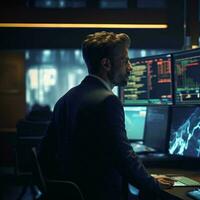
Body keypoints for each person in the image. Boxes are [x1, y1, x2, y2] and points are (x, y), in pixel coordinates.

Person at [39, 31, 174, 200]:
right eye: (125, 60)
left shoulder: (65, 99)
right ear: (106, 64)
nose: (130, 67)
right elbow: (123, 158)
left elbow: (44, 154)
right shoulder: (108, 101)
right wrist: (152, 183)